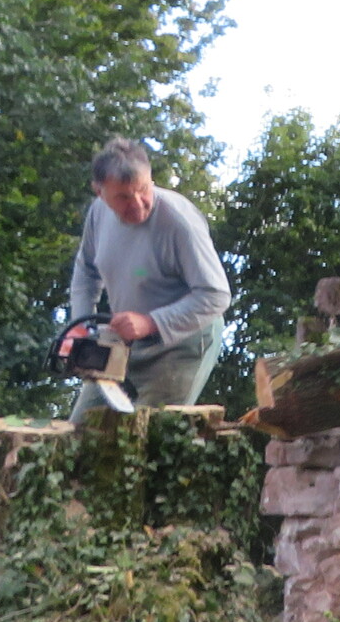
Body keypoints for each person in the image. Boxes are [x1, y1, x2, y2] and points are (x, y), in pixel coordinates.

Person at [63, 136, 232, 419]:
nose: (138, 204)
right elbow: (86, 271)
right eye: (123, 197)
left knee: (153, 431)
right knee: (81, 429)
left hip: (180, 345)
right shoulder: (98, 214)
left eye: (143, 189)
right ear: (99, 192)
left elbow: (216, 295)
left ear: (150, 178)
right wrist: (80, 326)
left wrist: (151, 322)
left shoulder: (179, 222)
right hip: (124, 343)